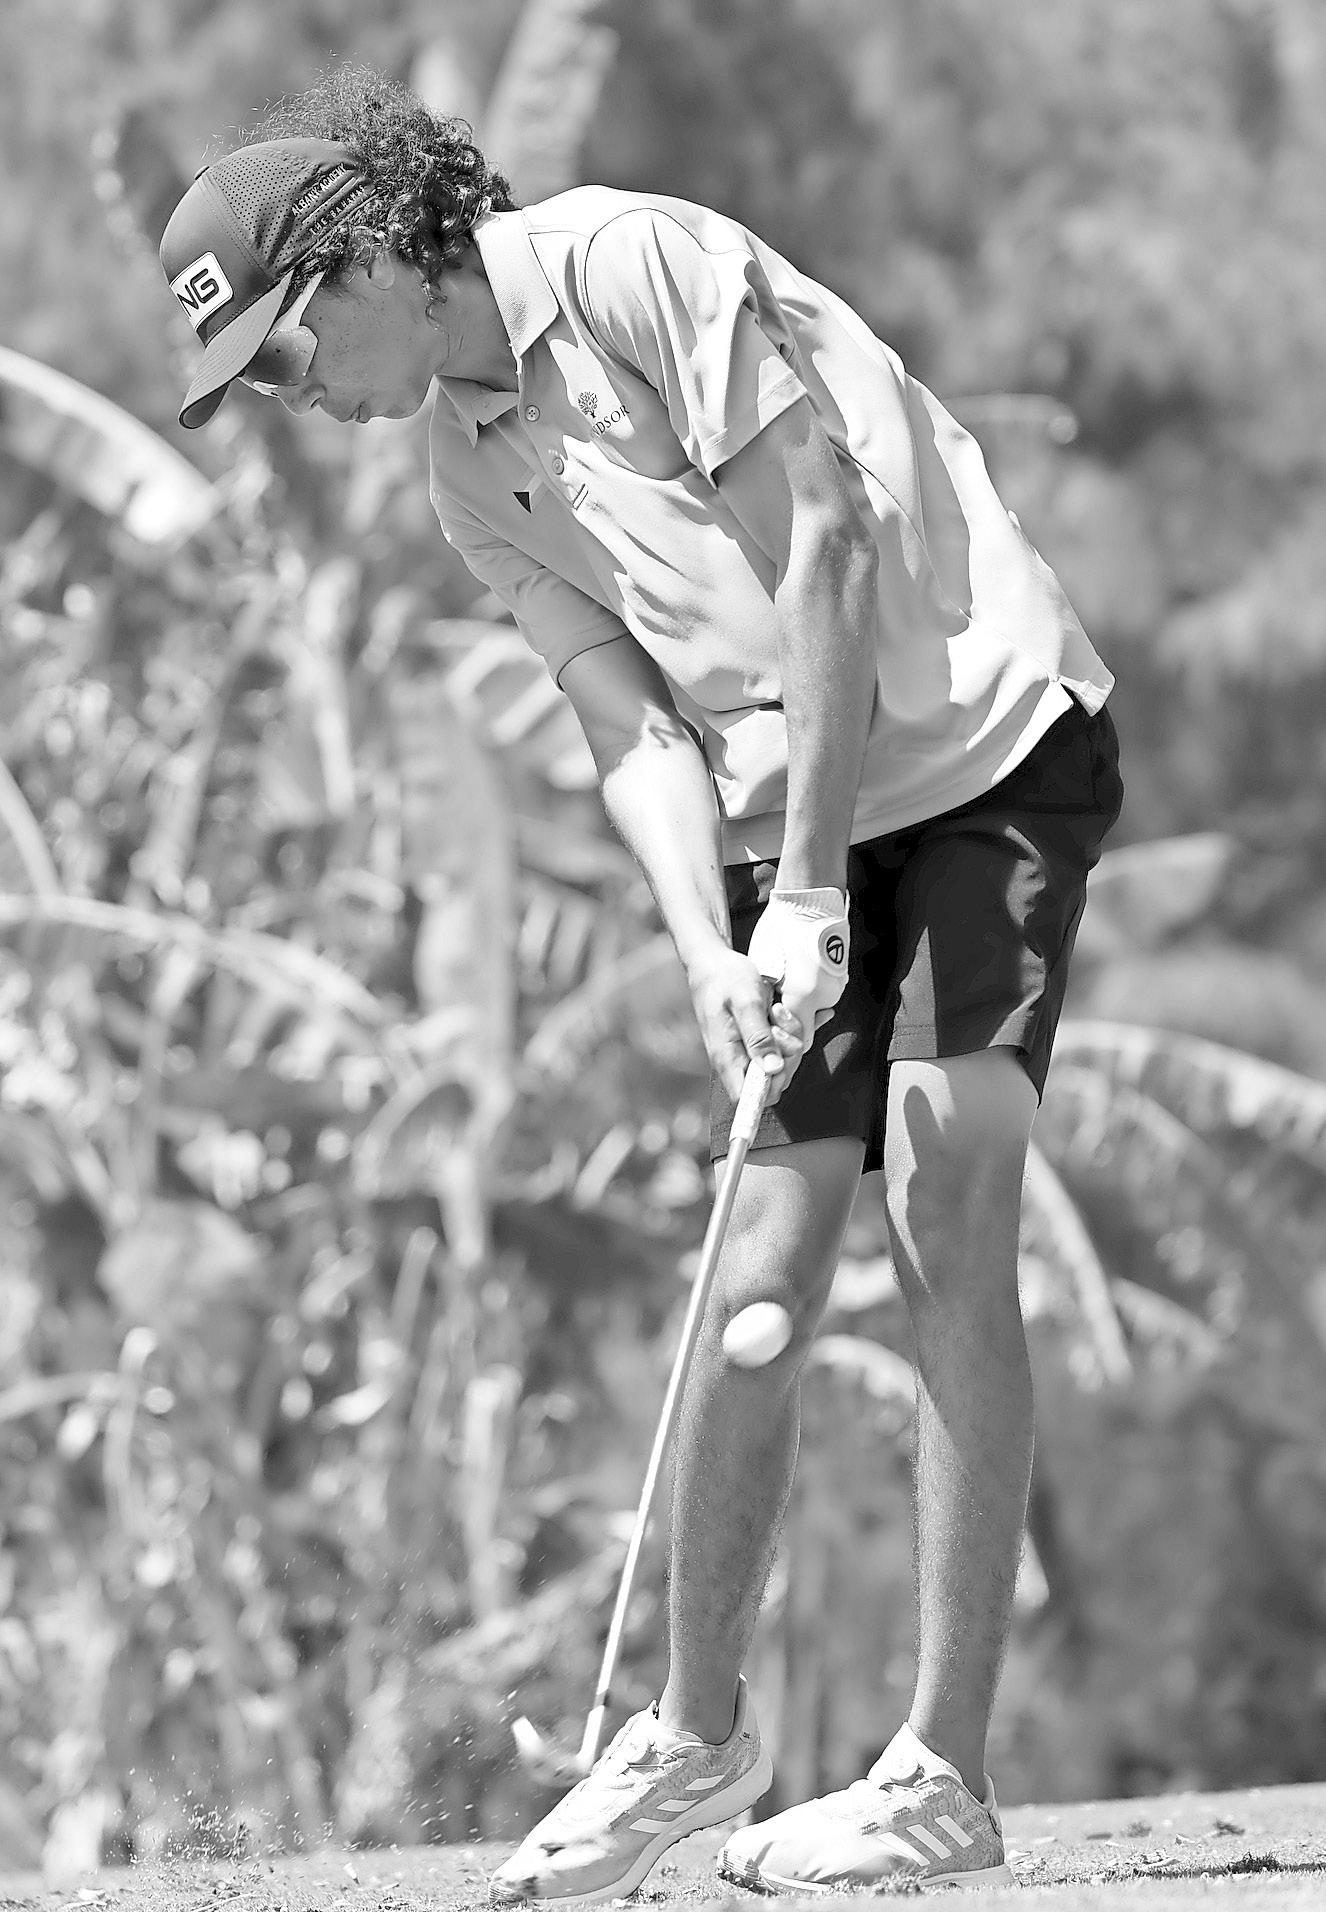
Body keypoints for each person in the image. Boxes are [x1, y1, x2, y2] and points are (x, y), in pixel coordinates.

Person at [159, 66, 1122, 1901]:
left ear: (367, 257)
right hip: (788, 805)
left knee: (943, 1185)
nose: (290, 399)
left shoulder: (630, 265)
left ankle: (939, 1772)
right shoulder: (465, 472)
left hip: (980, 747)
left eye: (279, 355)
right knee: (757, 1269)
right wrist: (706, 947)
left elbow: (827, 544)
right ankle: (689, 1737)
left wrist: (814, 888)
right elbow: (631, 729)